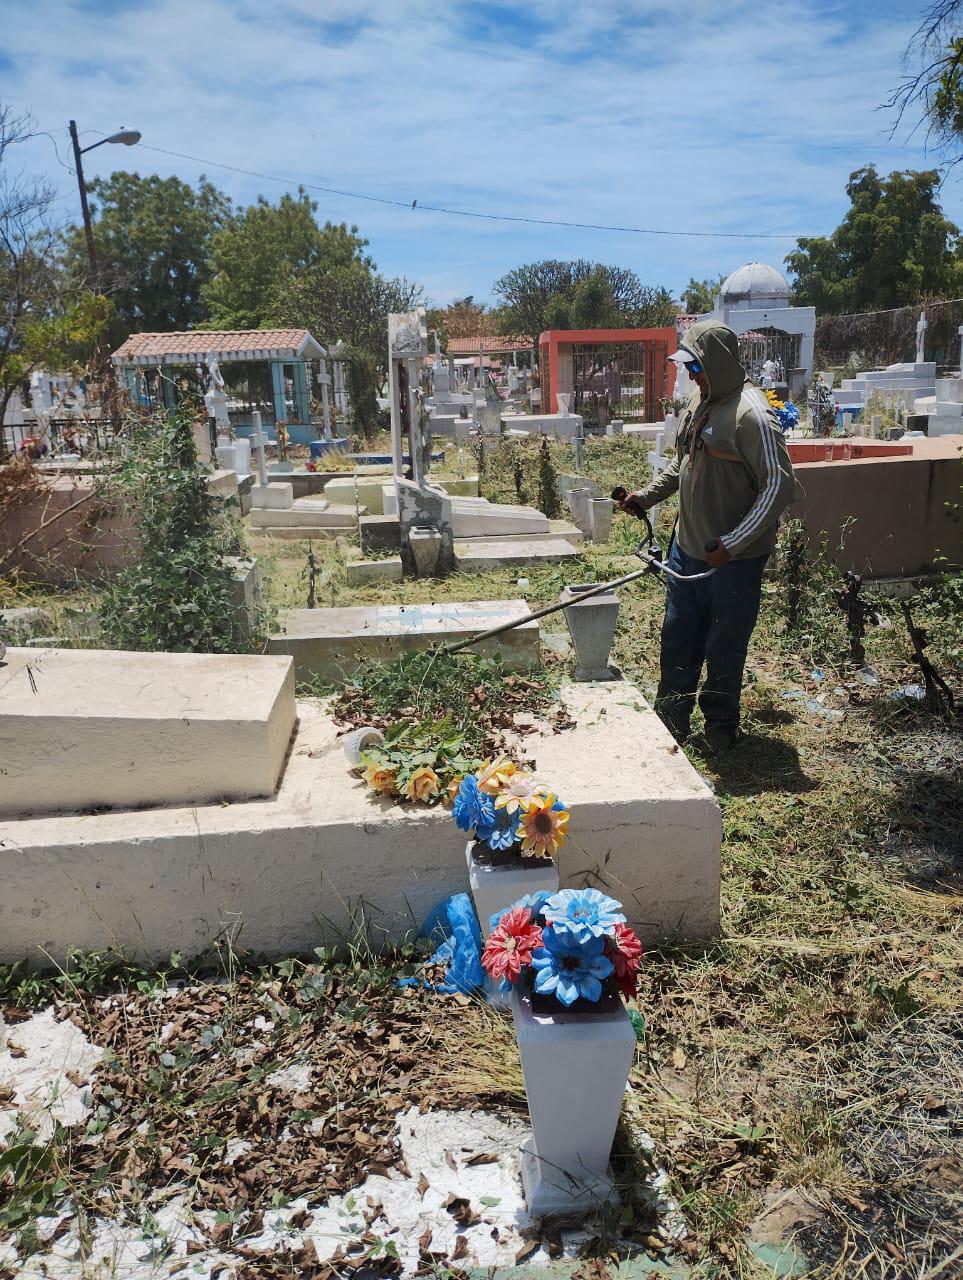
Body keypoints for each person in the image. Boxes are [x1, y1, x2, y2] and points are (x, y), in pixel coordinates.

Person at [620, 320, 796, 751]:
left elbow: (779, 484)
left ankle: (720, 731)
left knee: (724, 646)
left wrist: (733, 544)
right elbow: (683, 463)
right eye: (689, 368)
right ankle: (672, 722)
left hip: (732, 562)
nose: (693, 375)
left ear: (716, 361)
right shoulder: (702, 401)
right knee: (678, 637)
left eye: (697, 366)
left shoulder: (751, 414)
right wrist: (644, 497)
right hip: (687, 553)